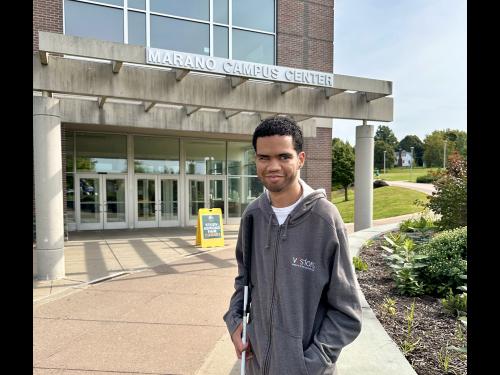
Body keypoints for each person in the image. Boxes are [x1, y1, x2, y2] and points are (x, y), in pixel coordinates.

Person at [223, 116, 362, 374]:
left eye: (284, 157)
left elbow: (347, 313)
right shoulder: (252, 216)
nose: (273, 166)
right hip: (256, 365)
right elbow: (244, 281)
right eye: (264, 157)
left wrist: (310, 364)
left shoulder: (325, 219)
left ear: (301, 159)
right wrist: (234, 321)